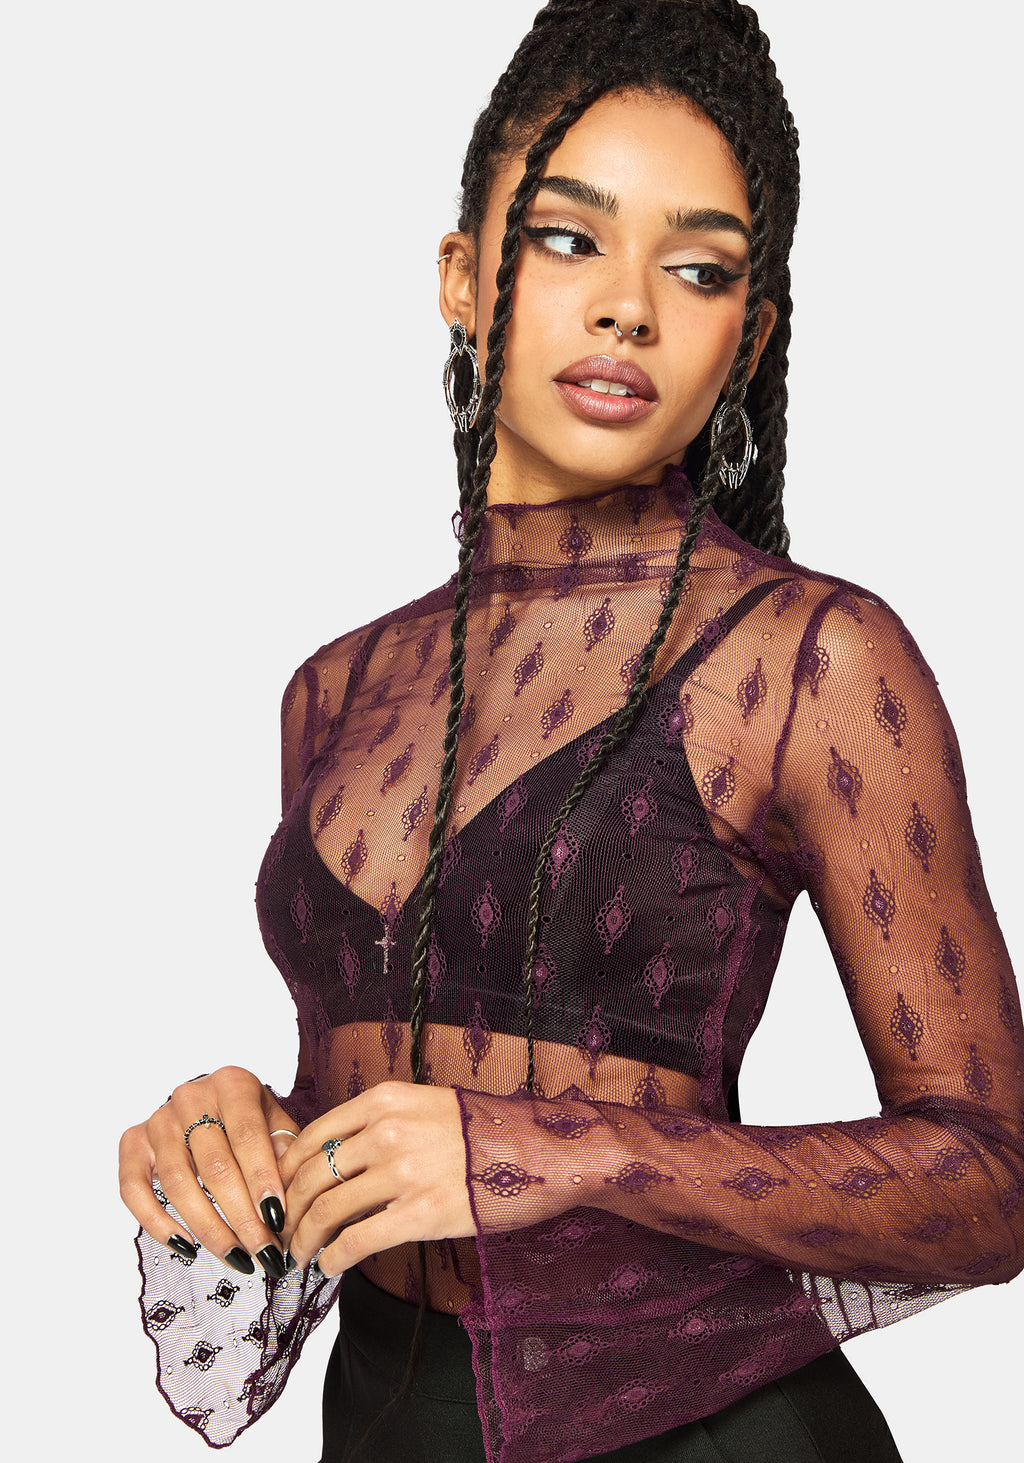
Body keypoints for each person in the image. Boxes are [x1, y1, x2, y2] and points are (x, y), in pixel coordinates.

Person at [118, 3, 1024, 1460]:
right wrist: (238, 1142)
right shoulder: (338, 690)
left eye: (699, 267)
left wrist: (559, 1150)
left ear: (749, 333)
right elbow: (405, 1109)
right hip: (390, 1419)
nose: (628, 310)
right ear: (462, 277)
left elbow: (990, 1183)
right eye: (568, 239)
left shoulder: (808, 658)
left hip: (711, 1431)